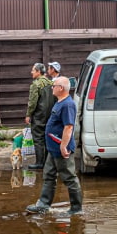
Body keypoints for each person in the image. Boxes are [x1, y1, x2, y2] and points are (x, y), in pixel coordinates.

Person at [26, 77, 84, 216]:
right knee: (49, 175)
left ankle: (76, 209)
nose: (52, 87)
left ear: (61, 88)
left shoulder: (67, 105)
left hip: (61, 149)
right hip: (53, 149)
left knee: (69, 177)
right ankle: (43, 205)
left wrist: (64, 146)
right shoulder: (60, 102)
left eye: (54, 85)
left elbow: (69, 127)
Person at [25, 63, 54, 170]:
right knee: (47, 138)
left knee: (38, 139)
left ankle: (39, 163)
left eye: (33, 70)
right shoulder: (51, 83)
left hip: (39, 116)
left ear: (38, 72)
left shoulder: (36, 85)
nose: (31, 72)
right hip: (50, 115)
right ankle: (47, 162)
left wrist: (28, 114)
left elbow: (32, 102)